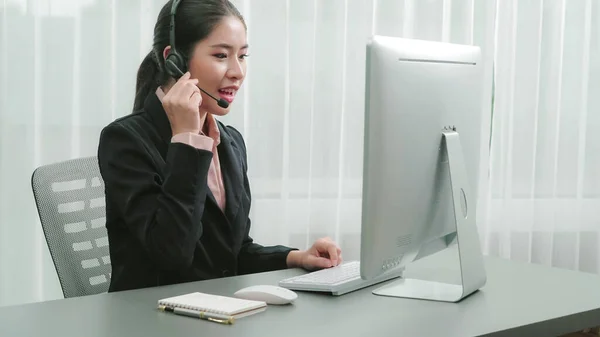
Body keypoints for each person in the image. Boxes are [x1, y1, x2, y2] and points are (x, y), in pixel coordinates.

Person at [97, 0, 342, 292]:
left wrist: (296, 257)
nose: (237, 71)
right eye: (221, 55)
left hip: (218, 313)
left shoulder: (230, 142)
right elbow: (172, 254)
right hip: (154, 320)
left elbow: (232, 253)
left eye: (243, 55)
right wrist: (187, 140)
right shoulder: (124, 140)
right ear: (173, 59)